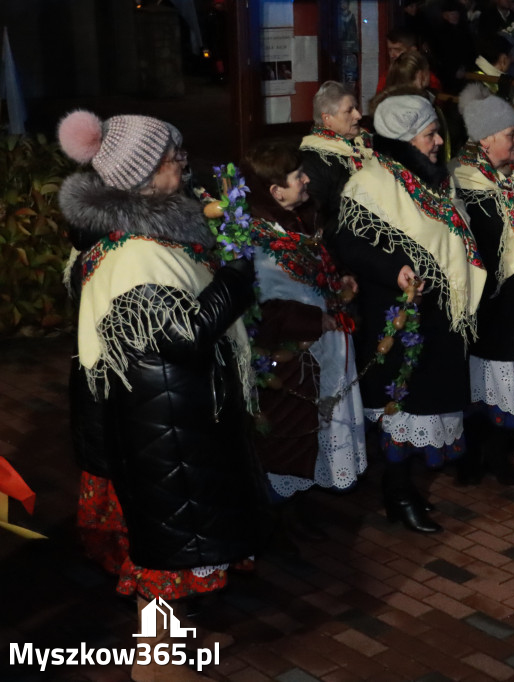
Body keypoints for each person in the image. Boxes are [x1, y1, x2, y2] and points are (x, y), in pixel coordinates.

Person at [58, 110, 267, 681]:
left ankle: (171, 653)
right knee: (162, 562)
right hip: (160, 435)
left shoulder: (147, 231)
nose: (183, 163)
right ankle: (155, 669)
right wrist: (237, 280)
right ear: (145, 178)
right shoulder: (132, 255)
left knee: (170, 549)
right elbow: (184, 336)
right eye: (172, 157)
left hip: (167, 424)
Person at [327, 90, 486, 533]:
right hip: (396, 315)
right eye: (430, 135)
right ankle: (396, 492)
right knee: (401, 406)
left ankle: (406, 487)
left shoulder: (428, 179)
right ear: (403, 139)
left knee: (424, 406)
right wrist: (393, 268)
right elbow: (349, 245)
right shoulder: (370, 184)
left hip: (436, 313)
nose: (438, 143)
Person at [243, 141, 366, 537]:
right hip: (288, 355)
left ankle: (299, 502)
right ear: (275, 191)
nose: (306, 179)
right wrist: (315, 320)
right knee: (286, 432)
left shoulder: (302, 221)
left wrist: (340, 276)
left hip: (320, 347)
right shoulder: (256, 240)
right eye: (297, 176)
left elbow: (321, 264)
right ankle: (273, 518)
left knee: (317, 424)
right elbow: (260, 308)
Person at [451, 83, 514, 485]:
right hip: (485, 301)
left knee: (502, 376)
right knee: (481, 376)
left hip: (513, 298)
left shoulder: (510, 182)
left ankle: (494, 451)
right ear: (487, 138)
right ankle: (475, 455)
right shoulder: (464, 184)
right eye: (510, 135)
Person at [300, 81, 372, 225]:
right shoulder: (313, 158)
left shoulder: (363, 142)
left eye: (356, 108)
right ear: (327, 119)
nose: (358, 115)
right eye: (349, 110)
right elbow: (318, 217)